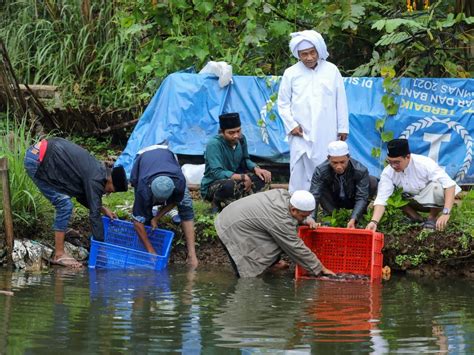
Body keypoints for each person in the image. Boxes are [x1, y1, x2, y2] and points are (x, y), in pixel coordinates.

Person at [24, 138, 128, 268]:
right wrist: (101, 250)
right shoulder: (96, 178)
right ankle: (59, 254)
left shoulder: (98, 170)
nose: (108, 193)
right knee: (64, 205)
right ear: (110, 181)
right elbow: (94, 216)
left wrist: (103, 209)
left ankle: (61, 232)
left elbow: (83, 196)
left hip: (42, 153)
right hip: (38, 160)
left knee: (65, 200)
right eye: (110, 190)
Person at [278, 30, 349, 192]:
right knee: (299, 169)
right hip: (300, 132)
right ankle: (297, 205)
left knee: (325, 163)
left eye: (312, 52)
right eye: (304, 54)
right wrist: (291, 125)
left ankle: (325, 202)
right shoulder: (291, 73)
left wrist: (343, 127)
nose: (309, 57)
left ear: (318, 51)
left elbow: (341, 101)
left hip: (327, 129)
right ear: (298, 55)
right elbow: (283, 103)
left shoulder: (332, 70)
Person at [215, 189, 335, 278]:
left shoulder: (284, 196)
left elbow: (296, 216)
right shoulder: (280, 219)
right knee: (247, 272)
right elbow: (295, 247)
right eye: (304, 216)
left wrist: (307, 220)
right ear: (293, 210)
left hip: (234, 217)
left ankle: (272, 264)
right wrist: (320, 269)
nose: (305, 218)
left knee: (272, 238)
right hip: (231, 228)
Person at [366, 139, 461, 232]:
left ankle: (432, 218)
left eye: (397, 162)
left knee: (437, 187)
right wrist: (374, 222)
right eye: (390, 162)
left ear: (408, 157)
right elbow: (381, 199)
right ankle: (416, 218)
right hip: (411, 200)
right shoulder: (388, 172)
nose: (393, 166)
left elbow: (450, 185)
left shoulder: (424, 163)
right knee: (390, 193)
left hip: (431, 201)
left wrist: (446, 213)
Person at [130, 144, 198, 268]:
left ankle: (192, 255)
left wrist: (157, 218)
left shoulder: (178, 182)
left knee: (186, 204)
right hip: (142, 156)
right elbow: (136, 222)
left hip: (167, 153)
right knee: (143, 216)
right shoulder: (143, 189)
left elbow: (175, 201)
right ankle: (145, 248)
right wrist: (151, 251)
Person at [200, 112, 272, 211]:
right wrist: (242, 177)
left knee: (263, 177)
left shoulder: (241, 139)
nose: (236, 135)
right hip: (214, 184)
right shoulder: (214, 144)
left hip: (236, 179)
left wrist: (256, 168)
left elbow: (245, 159)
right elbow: (217, 172)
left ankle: (244, 203)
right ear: (222, 132)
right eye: (231, 133)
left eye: (238, 131)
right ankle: (216, 204)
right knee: (229, 185)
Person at [310, 141, 378, 228]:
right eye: (334, 163)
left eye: (342, 162)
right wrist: (311, 218)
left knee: (372, 181)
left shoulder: (360, 170)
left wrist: (353, 218)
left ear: (348, 158)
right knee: (319, 187)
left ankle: (359, 216)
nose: (339, 167)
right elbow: (314, 195)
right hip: (333, 200)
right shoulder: (320, 171)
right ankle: (331, 216)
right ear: (328, 158)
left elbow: (361, 197)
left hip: (352, 198)